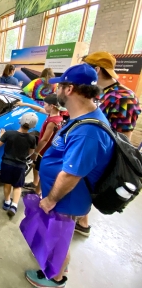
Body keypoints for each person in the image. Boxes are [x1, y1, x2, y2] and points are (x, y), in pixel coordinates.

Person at [24, 63, 114, 288]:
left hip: (67, 198)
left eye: (59, 86)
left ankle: (55, 278)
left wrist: (50, 199)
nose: (55, 91)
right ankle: (57, 268)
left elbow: (71, 176)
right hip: (64, 197)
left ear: (69, 89)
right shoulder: (81, 117)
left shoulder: (88, 132)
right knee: (56, 236)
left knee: (58, 239)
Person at [76, 51, 142, 237]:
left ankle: (80, 221)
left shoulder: (123, 97)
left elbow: (124, 138)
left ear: (96, 69)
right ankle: (82, 221)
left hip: (103, 157)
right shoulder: (98, 93)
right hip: (87, 150)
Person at [16, 95, 63, 195]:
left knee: (42, 171)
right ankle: (35, 183)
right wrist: (24, 104)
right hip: (44, 150)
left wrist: (36, 152)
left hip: (45, 151)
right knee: (35, 165)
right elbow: (38, 109)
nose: (44, 106)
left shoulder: (53, 122)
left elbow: (45, 139)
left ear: (52, 106)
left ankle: (37, 191)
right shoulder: (53, 114)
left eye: (45, 104)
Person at [0, 112, 37, 217]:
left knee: (7, 184)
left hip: (7, 163)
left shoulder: (9, 133)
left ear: (20, 121)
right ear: (33, 126)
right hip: (20, 166)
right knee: (18, 186)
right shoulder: (32, 139)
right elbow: (31, 152)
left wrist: (2, 136)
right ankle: (14, 206)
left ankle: (7, 202)